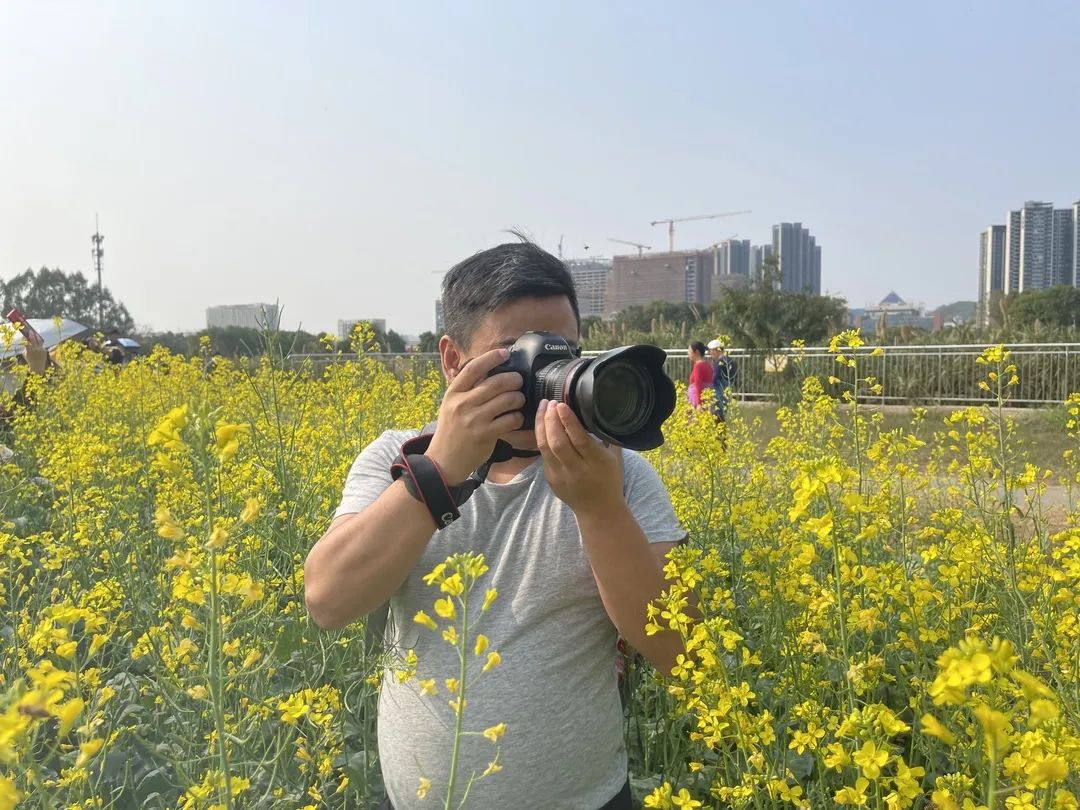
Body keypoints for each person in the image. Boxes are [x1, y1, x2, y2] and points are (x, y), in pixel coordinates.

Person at [304, 241, 687, 810]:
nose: (548, 376)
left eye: (565, 354)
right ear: (452, 360)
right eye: (519, 356)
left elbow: (679, 651)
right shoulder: (397, 457)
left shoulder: (618, 474)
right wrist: (439, 471)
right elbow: (327, 601)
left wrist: (600, 510)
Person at [707, 339, 738, 421]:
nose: (710, 353)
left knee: (717, 414)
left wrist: (708, 386)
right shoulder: (731, 360)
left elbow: (715, 377)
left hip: (719, 389)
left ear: (717, 350)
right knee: (723, 412)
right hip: (728, 389)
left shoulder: (720, 362)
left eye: (711, 351)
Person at [686, 341, 714, 410]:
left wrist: (699, 403)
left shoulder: (698, 366)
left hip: (697, 400)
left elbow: (698, 385)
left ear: (697, 352)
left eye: (689, 351)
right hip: (707, 398)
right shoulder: (707, 365)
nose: (688, 353)